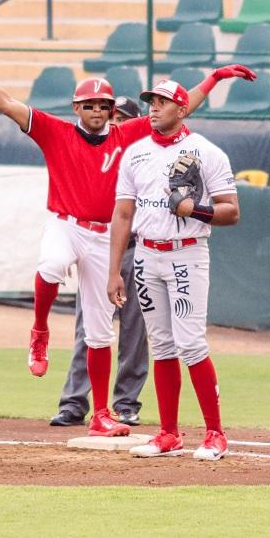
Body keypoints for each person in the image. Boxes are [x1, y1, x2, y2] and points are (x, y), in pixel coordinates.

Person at [0, 58, 255, 437]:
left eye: (104, 106)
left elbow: (179, 105)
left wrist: (215, 78)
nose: (98, 111)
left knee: (101, 332)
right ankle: (39, 332)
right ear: (76, 108)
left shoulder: (128, 137)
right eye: (90, 105)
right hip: (66, 223)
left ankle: (101, 413)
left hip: (105, 236)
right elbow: (6, 104)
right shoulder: (54, 131)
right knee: (52, 264)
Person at [108, 80, 240, 460]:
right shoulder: (135, 153)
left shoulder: (206, 152)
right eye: (151, 101)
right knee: (162, 344)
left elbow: (232, 210)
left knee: (191, 343)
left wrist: (194, 210)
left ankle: (215, 433)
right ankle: (169, 433)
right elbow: (122, 213)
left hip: (186, 253)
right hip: (147, 254)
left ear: (182, 109)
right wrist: (114, 270)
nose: (153, 107)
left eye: (163, 102)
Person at [50, 96, 148, 428]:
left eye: (122, 118)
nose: (114, 122)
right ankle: (74, 402)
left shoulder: (144, 158)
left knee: (135, 330)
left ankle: (126, 404)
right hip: (98, 246)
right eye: (112, 115)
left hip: (136, 247)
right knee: (89, 329)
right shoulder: (95, 151)